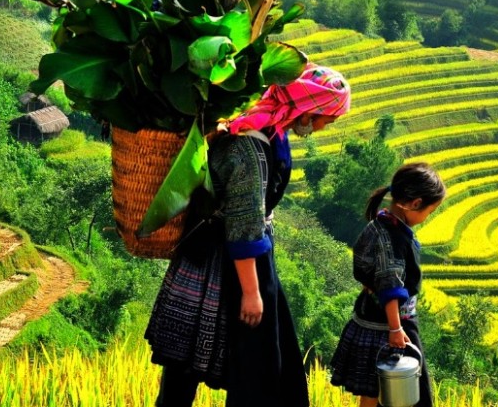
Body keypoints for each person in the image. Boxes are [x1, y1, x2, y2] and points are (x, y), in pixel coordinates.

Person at [144, 64, 351, 407]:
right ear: (307, 111)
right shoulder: (247, 149)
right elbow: (243, 225)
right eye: (325, 119)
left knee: (197, 363)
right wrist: (252, 293)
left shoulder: (269, 128)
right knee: (224, 364)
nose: (323, 127)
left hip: (228, 255)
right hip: (223, 261)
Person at [330, 162, 446, 407]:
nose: (426, 217)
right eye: (429, 211)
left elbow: (367, 270)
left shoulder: (379, 224)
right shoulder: (392, 237)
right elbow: (389, 285)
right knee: (410, 394)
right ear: (415, 204)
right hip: (392, 325)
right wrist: (395, 329)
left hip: (370, 317)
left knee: (372, 392)